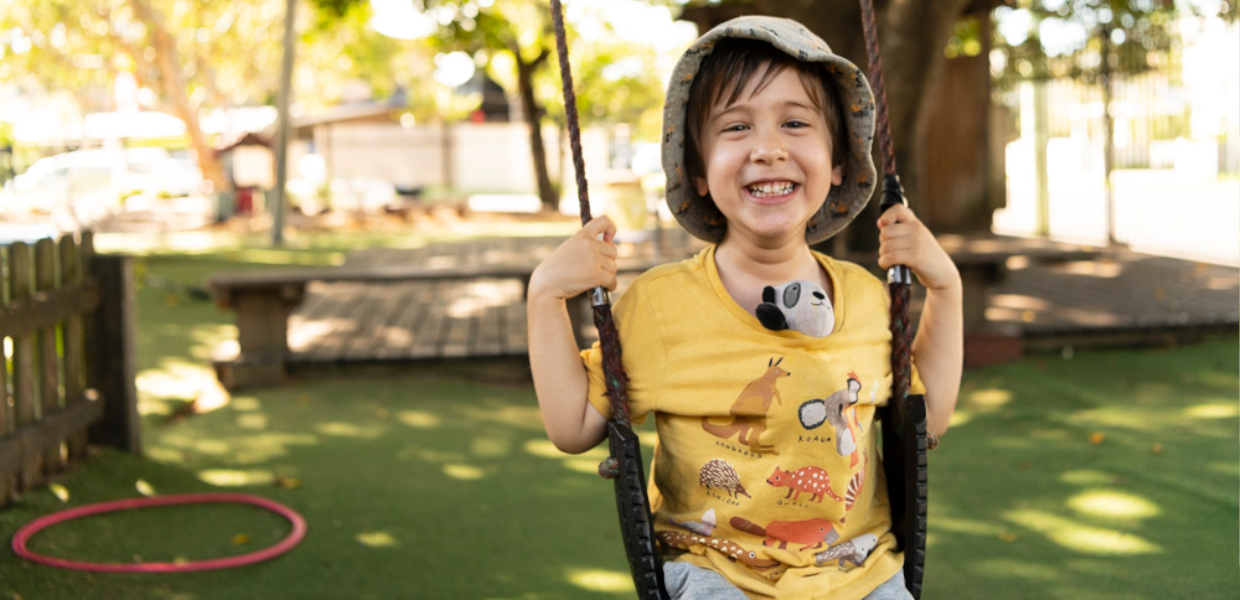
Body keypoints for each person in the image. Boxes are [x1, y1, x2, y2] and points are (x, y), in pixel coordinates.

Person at [528, 16, 962, 600]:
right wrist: (545, 295)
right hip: (716, 570)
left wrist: (947, 289)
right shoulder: (660, 304)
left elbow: (925, 418)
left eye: (794, 122)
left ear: (838, 163)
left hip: (859, 568)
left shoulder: (866, 296)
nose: (768, 148)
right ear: (700, 171)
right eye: (735, 127)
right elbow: (573, 425)